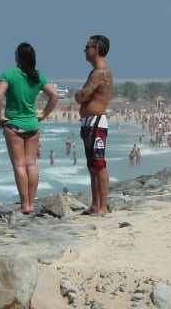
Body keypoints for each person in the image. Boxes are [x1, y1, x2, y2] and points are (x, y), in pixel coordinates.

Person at [0, 41, 59, 215]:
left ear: (17, 57)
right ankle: (31, 202)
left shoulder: (8, 74)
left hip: (14, 124)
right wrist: (43, 115)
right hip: (32, 125)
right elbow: (54, 95)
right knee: (31, 164)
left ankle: (25, 205)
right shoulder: (37, 76)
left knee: (19, 165)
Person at [75, 34, 114, 216]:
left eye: (88, 47)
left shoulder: (100, 72)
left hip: (96, 121)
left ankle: (103, 206)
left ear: (96, 49)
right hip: (89, 122)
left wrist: (80, 95)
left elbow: (82, 96)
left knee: (99, 164)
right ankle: (95, 204)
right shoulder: (95, 72)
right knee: (92, 165)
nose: (85, 50)